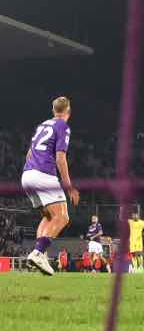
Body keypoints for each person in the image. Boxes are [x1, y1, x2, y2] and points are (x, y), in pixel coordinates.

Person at [20, 96, 80, 276]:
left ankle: (39, 257)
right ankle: (38, 252)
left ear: (53, 110)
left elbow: (29, 153)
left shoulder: (42, 126)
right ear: (68, 111)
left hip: (27, 175)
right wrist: (69, 187)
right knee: (62, 217)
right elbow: (60, 158)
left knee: (48, 216)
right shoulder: (63, 126)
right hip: (44, 175)